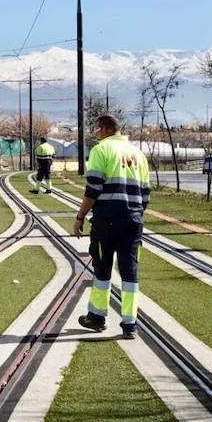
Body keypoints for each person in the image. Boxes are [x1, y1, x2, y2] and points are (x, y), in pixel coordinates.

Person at [72, 114, 150, 339]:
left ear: (105, 129)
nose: (96, 134)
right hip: (133, 220)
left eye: (97, 130)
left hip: (106, 219)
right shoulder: (138, 154)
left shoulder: (101, 150)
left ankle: (97, 317)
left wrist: (80, 216)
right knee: (130, 271)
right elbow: (145, 194)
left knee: (102, 268)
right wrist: (135, 214)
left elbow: (93, 189)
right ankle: (130, 323)